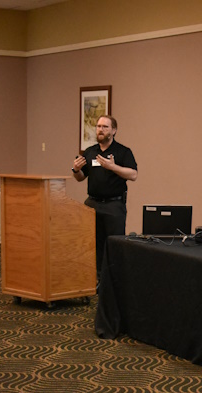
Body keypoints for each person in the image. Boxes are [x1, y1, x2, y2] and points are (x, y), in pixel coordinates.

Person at [71, 115, 137, 285]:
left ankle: (115, 282)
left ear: (113, 131)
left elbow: (133, 175)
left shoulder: (123, 151)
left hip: (114, 206)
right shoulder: (90, 151)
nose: (100, 130)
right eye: (98, 126)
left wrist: (112, 167)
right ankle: (98, 280)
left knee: (114, 244)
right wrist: (76, 169)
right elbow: (80, 178)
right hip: (92, 204)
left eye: (105, 127)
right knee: (94, 244)